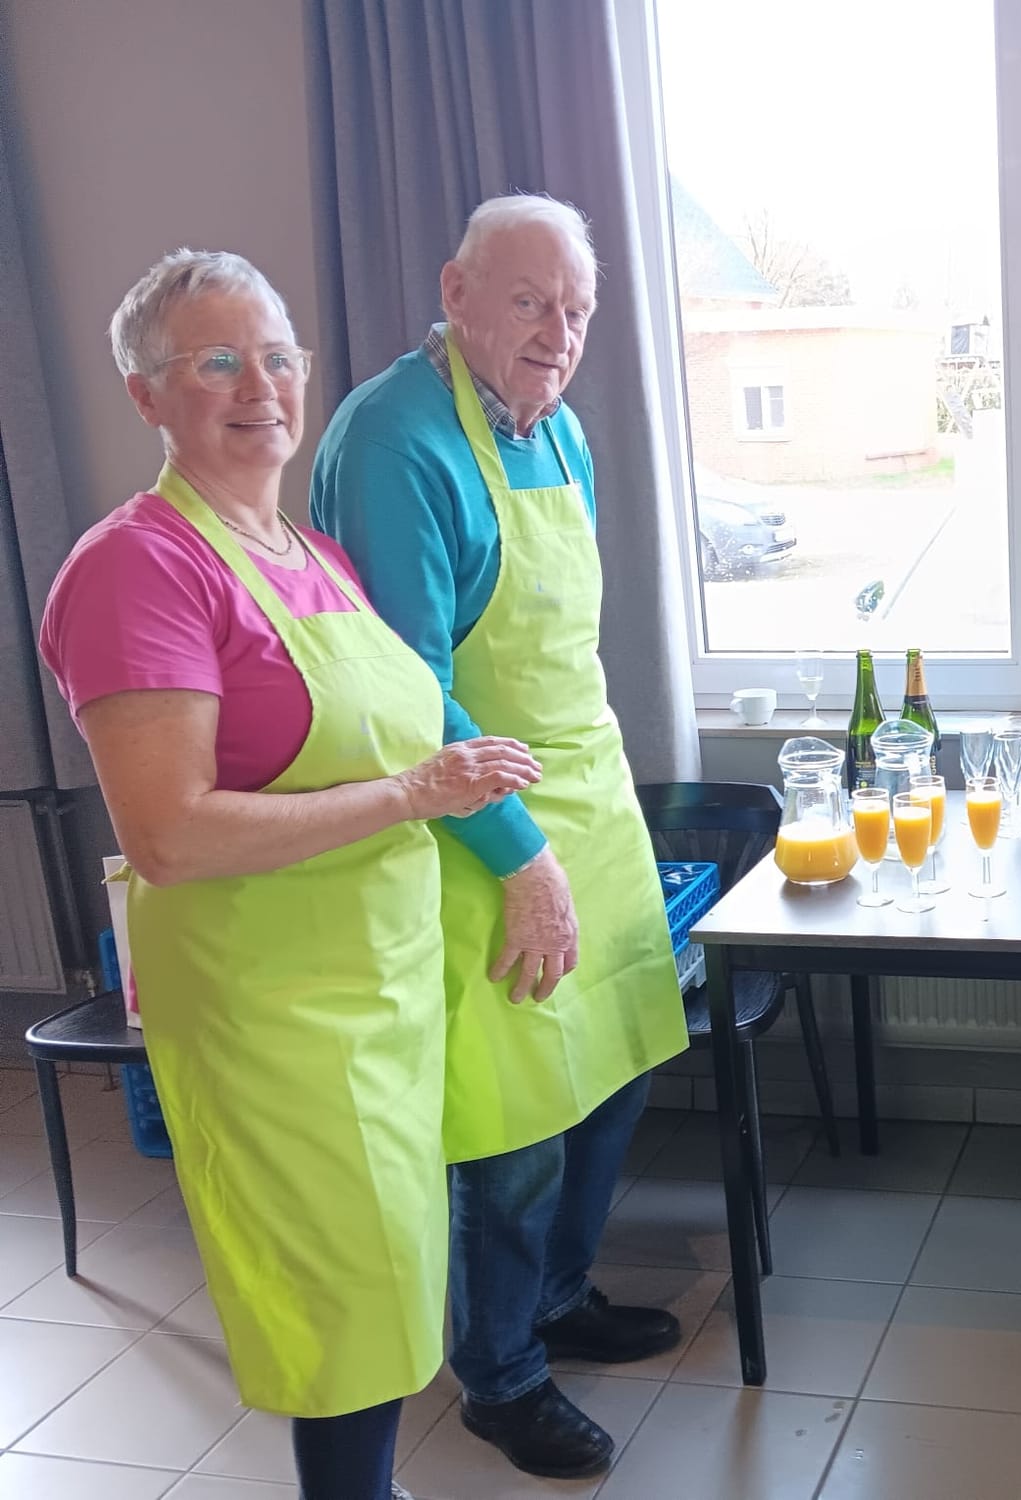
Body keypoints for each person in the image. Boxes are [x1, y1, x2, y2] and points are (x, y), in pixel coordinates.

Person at [38, 250, 541, 1500]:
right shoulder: (138, 566)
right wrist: (418, 794)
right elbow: (171, 835)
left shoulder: (313, 554)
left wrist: (460, 799)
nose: (259, 386)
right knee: (337, 1305)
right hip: (269, 1015)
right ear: (147, 395)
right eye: (217, 361)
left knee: (382, 1282)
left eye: (276, 356)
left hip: (378, 991)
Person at [311, 194, 691, 1479]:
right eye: (528, 301)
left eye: (574, 311)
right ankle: (501, 1373)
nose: (554, 333)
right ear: (455, 291)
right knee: (514, 1120)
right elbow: (407, 687)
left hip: (591, 793)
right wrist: (522, 856)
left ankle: (557, 1298)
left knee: (615, 1065)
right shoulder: (393, 439)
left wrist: (579, 829)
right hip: (477, 827)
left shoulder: (558, 429)